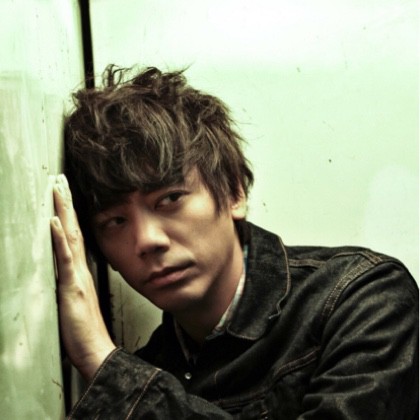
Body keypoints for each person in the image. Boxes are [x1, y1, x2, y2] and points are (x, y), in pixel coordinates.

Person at [50, 65, 418, 419]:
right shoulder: (143, 377)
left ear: (233, 193)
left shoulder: (360, 296)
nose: (147, 240)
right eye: (115, 221)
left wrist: (102, 361)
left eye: (170, 199)